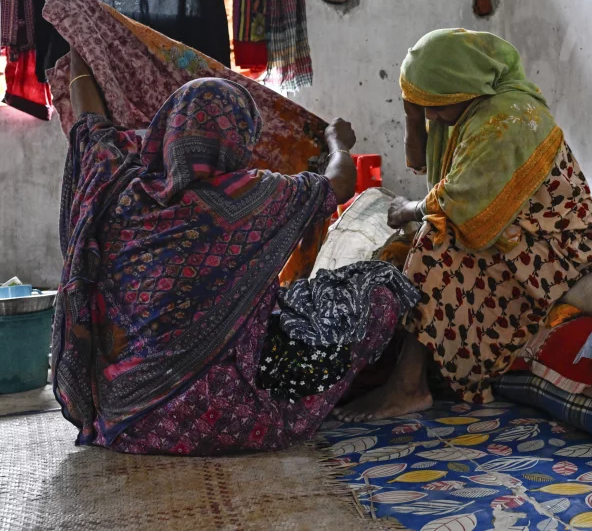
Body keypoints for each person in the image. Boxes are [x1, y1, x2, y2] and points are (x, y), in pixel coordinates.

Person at [55, 52, 415, 454]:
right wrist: (337, 143)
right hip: (228, 418)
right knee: (377, 290)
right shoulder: (251, 195)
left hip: (124, 420)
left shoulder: (119, 187)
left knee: (288, 303)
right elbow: (340, 183)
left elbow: (89, 124)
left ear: (168, 129)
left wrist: (78, 45)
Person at [335, 28, 592, 420]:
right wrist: (415, 110)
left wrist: (411, 208)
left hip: (556, 240)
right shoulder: (474, 106)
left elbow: (464, 208)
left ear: (464, 88)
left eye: (436, 104)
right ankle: (407, 372)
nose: (429, 116)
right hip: (516, 227)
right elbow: (446, 181)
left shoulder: (505, 120)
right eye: (419, 103)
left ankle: (409, 385)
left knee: (436, 243)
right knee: (412, 247)